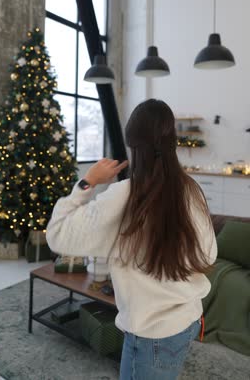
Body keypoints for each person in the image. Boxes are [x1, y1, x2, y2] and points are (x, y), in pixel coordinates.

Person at [46, 99, 217, 380]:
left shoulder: (123, 197)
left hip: (151, 337)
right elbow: (208, 256)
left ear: (133, 147)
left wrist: (88, 181)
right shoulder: (192, 189)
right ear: (173, 140)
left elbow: (57, 234)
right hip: (188, 321)